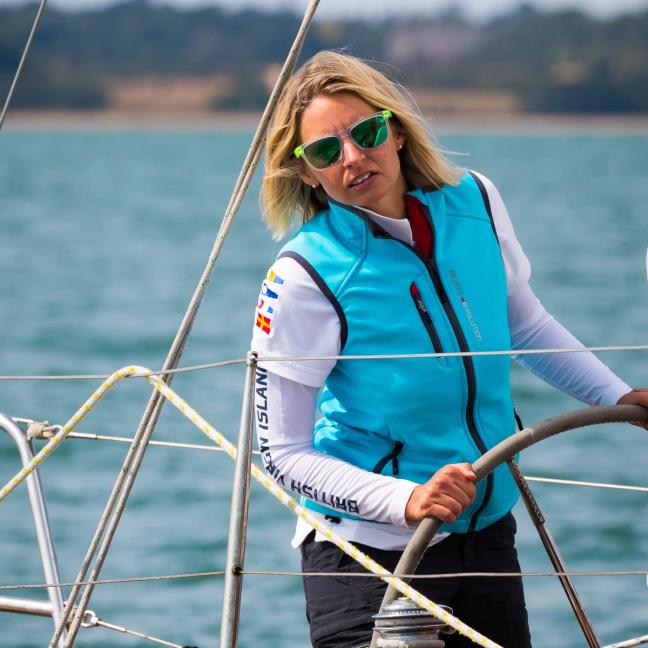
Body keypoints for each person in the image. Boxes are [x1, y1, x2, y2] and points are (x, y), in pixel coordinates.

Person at [250, 51, 648, 648]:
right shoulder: (303, 274)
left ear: (396, 130)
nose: (353, 157)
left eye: (366, 133)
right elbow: (282, 455)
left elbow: (525, 325)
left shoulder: (476, 200)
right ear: (306, 172)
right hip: (368, 555)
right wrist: (407, 499)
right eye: (326, 151)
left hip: (485, 531)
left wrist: (621, 397)